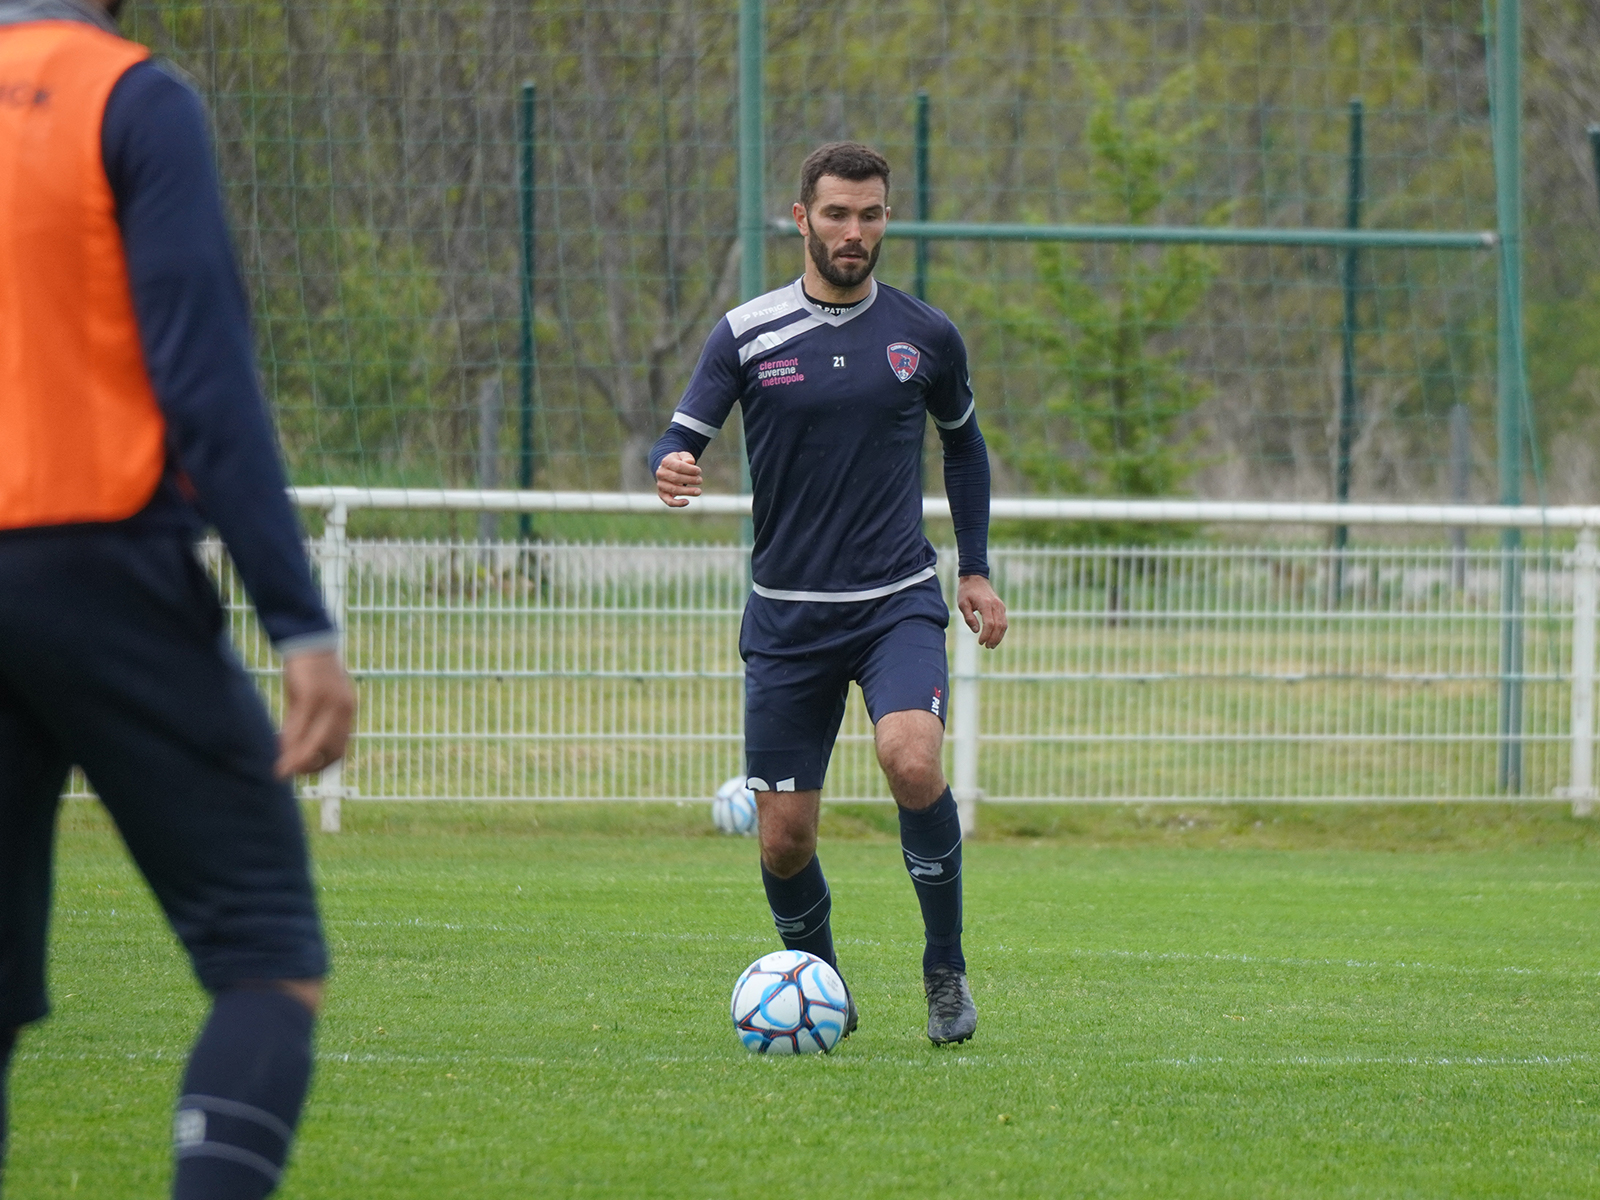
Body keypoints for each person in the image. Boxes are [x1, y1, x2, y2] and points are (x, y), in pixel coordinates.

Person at [0, 0, 356, 1195]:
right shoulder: (131, 99)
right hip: (96, 567)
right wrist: (299, 621)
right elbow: (205, 386)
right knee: (266, 952)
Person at [652, 142, 1007, 1045]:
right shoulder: (747, 331)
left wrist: (973, 567)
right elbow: (682, 431)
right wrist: (675, 463)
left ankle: (945, 975)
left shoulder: (925, 335)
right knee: (783, 841)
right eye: (839, 214)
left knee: (913, 760)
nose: (857, 232)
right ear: (802, 219)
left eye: (873, 213)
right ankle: (826, 993)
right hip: (788, 616)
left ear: (888, 219)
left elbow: (964, 445)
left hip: (896, 602)